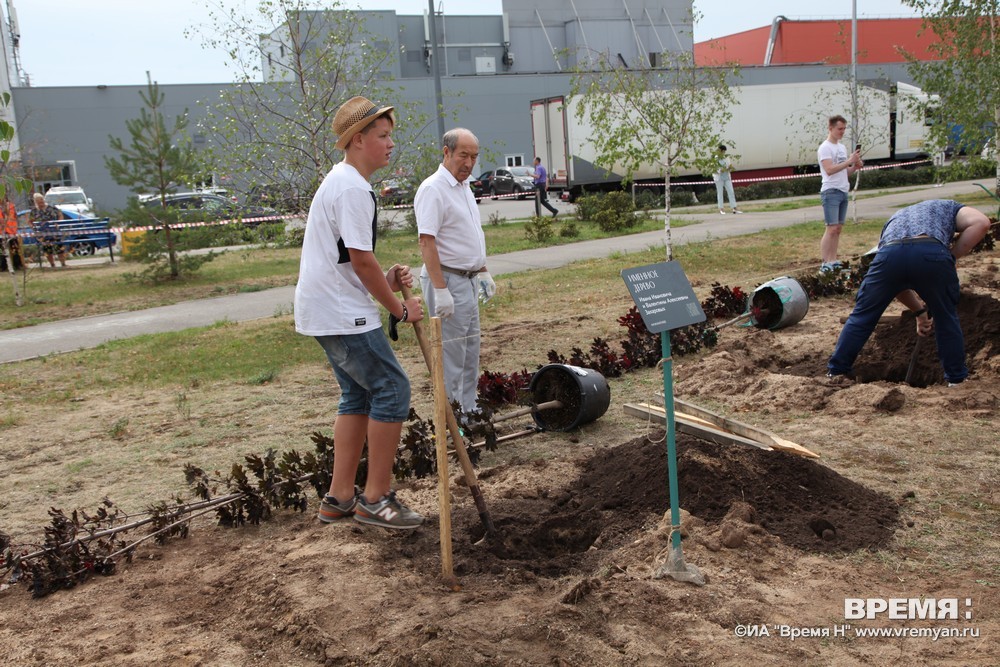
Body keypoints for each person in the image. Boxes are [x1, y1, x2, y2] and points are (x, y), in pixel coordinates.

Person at [294, 95, 426, 531]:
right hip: (339, 312)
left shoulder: (344, 182)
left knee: (358, 395)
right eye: (382, 136)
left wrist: (384, 283)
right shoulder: (351, 188)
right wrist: (401, 309)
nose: (391, 144)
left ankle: (340, 497)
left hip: (328, 306)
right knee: (392, 389)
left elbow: (350, 263)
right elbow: (361, 259)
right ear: (356, 140)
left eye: (391, 136)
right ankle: (376, 499)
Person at [827, 200, 990, 386]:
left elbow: (897, 283)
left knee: (862, 316)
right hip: (931, 251)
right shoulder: (951, 207)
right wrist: (951, 256)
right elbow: (982, 223)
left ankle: (836, 373)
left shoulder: (896, 218)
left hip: (889, 254)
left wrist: (919, 312)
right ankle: (956, 379)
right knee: (945, 316)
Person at [415, 128, 495, 413]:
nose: (469, 163)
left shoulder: (464, 187)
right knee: (451, 352)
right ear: (446, 152)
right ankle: (451, 415)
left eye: (474, 157)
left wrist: (482, 269)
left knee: (470, 349)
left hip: (469, 279)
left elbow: (469, 233)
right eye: (463, 155)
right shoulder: (433, 189)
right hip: (447, 279)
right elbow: (427, 241)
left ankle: (468, 409)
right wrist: (440, 290)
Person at [817, 115, 862, 272]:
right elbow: (829, 170)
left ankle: (834, 260)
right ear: (831, 128)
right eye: (839, 129)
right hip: (831, 191)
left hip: (843, 189)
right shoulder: (825, 148)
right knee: (831, 227)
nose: (842, 132)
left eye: (844, 129)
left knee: (838, 228)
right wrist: (849, 161)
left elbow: (844, 171)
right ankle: (825, 262)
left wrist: (854, 166)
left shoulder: (842, 148)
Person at [29, 192, 68, 268]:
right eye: (39, 202)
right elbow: (30, 221)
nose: (41, 203)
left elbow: (60, 214)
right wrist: (34, 227)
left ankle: (63, 263)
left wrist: (59, 223)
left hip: (54, 232)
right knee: (47, 249)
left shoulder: (51, 208)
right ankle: (52, 264)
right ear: (36, 202)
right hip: (43, 233)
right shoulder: (34, 211)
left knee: (59, 248)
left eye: (42, 201)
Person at [713, 145, 742, 215]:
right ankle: (721, 209)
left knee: (731, 191)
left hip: (727, 177)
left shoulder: (726, 157)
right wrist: (720, 170)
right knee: (720, 193)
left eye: (723, 151)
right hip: (719, 178)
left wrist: (729, 167)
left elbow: (729, 165)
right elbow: (714, 168)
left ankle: (734, 208)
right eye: (721, 151)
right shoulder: (715, 158)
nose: (723, 152)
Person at [1, 195, 22, 272]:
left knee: (15, 248)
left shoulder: (11, 205)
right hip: (1, 232)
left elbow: (15, 217)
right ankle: (3, 266)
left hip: (11, 231)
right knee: (2, 250)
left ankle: (18, 265)